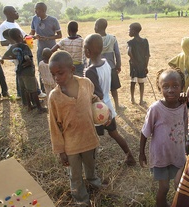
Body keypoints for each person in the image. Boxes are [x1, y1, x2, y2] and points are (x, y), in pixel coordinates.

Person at [48, 51, 102, 207]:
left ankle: (93, 181)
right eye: (53, 74)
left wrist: (102, 111)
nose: (57, 78)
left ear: (72, 69)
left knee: (90, 164)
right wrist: (60, 150)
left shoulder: (86, 83)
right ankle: (81, 199)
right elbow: (54, 126)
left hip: (89, 138)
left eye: (60, 73)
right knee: (75, 174)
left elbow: (92, 99)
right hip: (70, 144)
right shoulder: (54, 96)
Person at [84, 33, 136, 166]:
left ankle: (91, 164)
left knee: (91, 138)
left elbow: (97, 95)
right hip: (108, 106)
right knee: (114, 133)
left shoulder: (90, 71)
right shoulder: (106, 63)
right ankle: (129, 155)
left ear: (88, 52)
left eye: (85, 49)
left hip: (98, 109)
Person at [139, 68, 187, 207]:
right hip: (161, 156)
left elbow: (185, 128)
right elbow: (145, 132)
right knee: (164, 187)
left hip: (177, 154)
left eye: (175, 86)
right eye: (165, 86)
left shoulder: (183, 105)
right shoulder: (155, 109)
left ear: (182, 87)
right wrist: (141, 152)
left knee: (180, 184)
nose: (170, 90)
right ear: (160, 88)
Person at [0, 6, 46, 99]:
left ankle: (20, 93)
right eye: (14, 11)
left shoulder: (15, 24)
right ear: (8, 14)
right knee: (28, 71)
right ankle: (37, 92)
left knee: (20, 72)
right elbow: (2, 42)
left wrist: (34, 37)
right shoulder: (3, 26)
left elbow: (24, 36)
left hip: (23, 50)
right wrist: (17, 42)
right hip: (16, 53)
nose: (17, 13)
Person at [2, 28, 47, 114]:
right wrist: (28, 62)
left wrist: (16, 57)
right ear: (20, 35)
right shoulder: (24, 46)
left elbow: (4, 56)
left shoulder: (12, 47)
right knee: (33, 90)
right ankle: (39, 108)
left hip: (19, 72)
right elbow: (27, 57)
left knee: (26, 89)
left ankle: (29, 106)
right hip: (28, 72)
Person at [29, 2, 62, 92]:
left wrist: (47, 38)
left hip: (52, 49)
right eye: (35, 9)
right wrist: (33, 37)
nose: (35, 11)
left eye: (37, 10)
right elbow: (31, 33)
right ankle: (44, 89)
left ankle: (57, 88)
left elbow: (59, 35)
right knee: (42, 69)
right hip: (41, 50)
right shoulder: (34, 19)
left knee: (54, 68)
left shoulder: (53, 20)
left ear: (43, 10)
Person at [94, 18, 124, 111]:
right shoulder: (112, 38)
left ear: (97, 27)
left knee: (99, 89)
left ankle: (100, 107)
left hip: (97, 68)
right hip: (111, 67)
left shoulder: (94, 39)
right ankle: (117, 105)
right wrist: (118, 65)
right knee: (113, 88)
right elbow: (117, 53)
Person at [127, 22, 150, 105]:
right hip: (142, 65)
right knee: (141, 82)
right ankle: (141, 100)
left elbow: (129, 52)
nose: (128, 31)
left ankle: (132, 99)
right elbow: (147, 55)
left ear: (134, 31)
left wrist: (134, 60)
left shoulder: (130, 42)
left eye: (129, 30)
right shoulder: (145, 41)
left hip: (133, 65)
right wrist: (146, 66)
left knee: (133, 81)